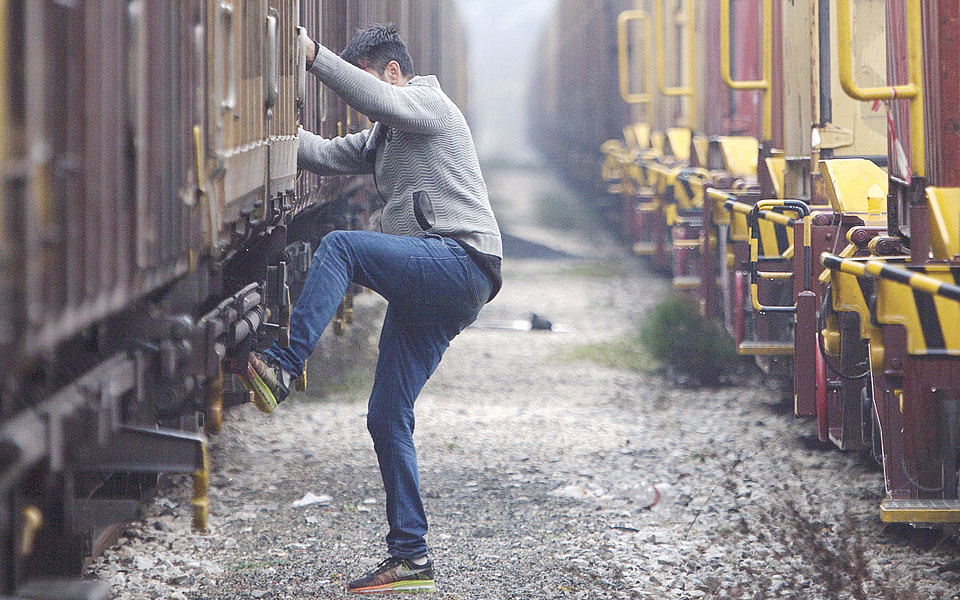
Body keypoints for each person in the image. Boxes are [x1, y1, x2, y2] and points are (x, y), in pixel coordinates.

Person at [240, 24, 502, 594]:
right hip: (431, 281)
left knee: (341, 247)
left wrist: (314, 58)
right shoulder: (385, 137)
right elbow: (324, 153)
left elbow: (378, 100)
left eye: (366, 78)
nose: (364, 98)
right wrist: (264, 132)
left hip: (459, 262)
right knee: (386, 414)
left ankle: (284, 362)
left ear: (390, 71)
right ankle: (411, 557)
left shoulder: (428, 103)